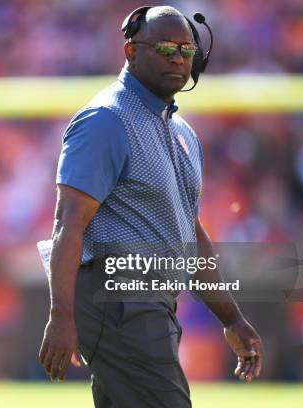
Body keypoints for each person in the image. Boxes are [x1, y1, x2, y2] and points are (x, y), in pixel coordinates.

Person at [39, 6, 264, 408]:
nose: (178, 58)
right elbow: (67, 223)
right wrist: (61, 314)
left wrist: (232, 317)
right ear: (131, 52)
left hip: (151, 301)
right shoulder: (106, 120)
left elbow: (189, 234)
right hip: (118, 299)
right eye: (164, 48)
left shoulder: (181, 131)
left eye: (187, 49)